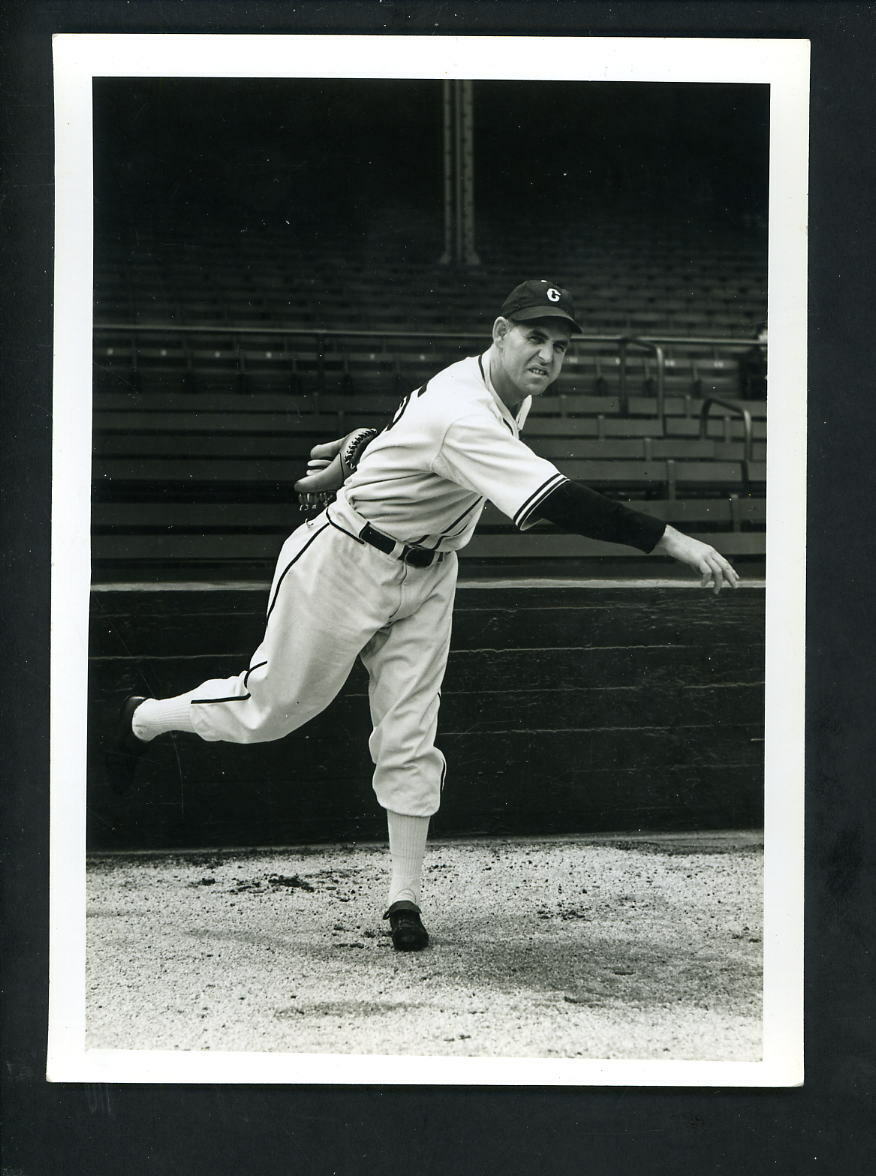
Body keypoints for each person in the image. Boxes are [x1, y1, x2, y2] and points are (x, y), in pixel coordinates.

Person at [110, 279, 739, 951]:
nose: (548, 356)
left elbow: (408, 426)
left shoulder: (491, 387)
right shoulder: (467, 409)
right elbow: (557, 498)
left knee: (411, 733)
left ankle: (402, 898)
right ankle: (139, 717)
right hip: (348, 558)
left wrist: (360, 452)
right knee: (271, 709)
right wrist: (670, 538)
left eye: (560, 345)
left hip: (430, 571)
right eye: (534, 337)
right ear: (500, 332)